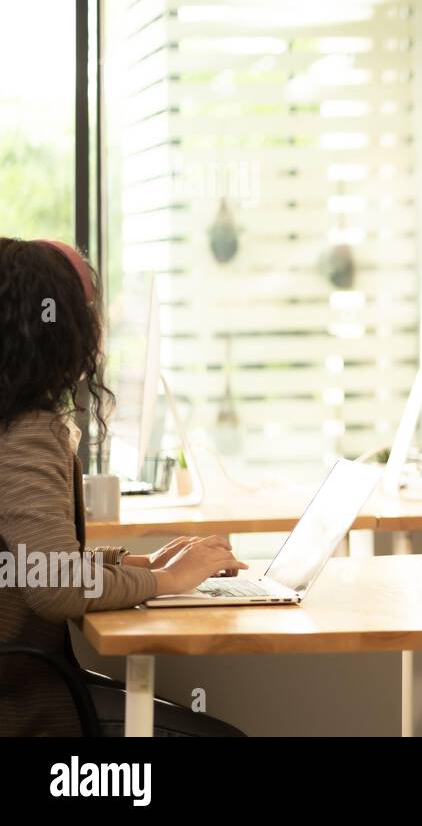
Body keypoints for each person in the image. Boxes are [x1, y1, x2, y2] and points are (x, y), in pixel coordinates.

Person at [0, 237, 248, 736]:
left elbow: (25, 561)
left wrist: (134, 562)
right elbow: (54, 584)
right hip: (24, 702)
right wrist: (168, 582)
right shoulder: (26, 434)